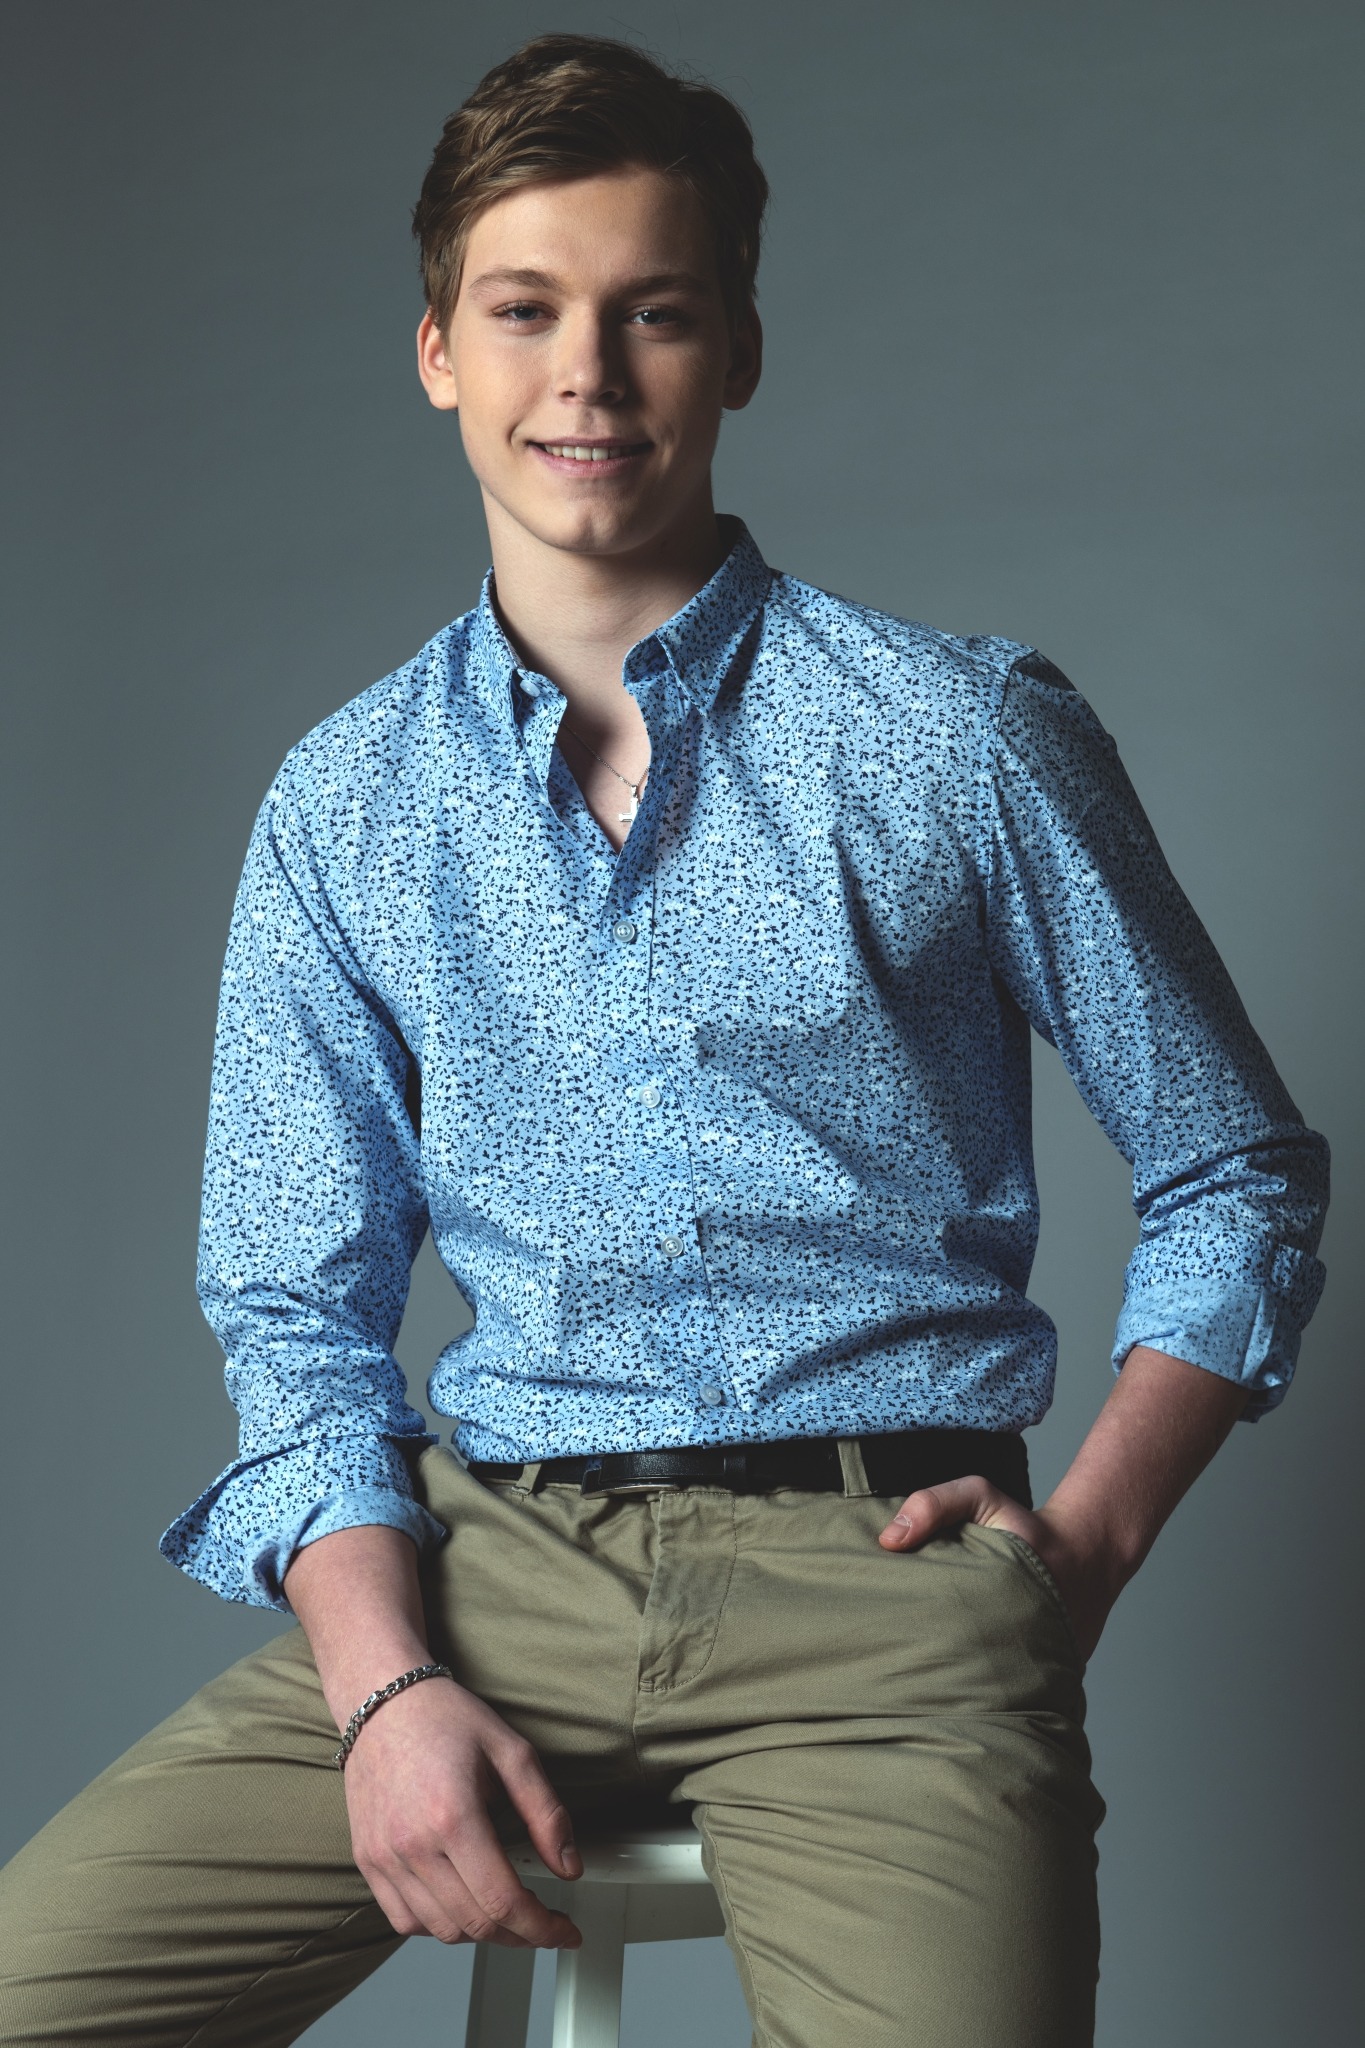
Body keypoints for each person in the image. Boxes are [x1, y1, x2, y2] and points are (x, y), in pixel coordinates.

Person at [0, 32, 1330, 2048]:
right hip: (486, 1576)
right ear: (436, 351)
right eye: (524, 310)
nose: (587, 377)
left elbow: (1232, 1167)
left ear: (739, 351)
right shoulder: (346, 804)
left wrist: (1077, 1552)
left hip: (877, 1591)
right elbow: (293, 1305)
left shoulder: (956, 735)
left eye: (654, 313)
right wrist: (384, 1689)